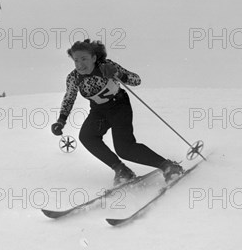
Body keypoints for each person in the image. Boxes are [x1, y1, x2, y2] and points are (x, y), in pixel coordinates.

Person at [51, 39, 184, 185]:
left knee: (124, 149)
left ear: (94, 58)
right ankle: (122, 170)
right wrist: (61, 120)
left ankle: (168, 166)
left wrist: (119, 74)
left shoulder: (106, 66)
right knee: (87, 136)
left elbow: (136, 80)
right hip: (99, 111)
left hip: (119, 106)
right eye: (76, 60)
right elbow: (69, 98)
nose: (80, 64)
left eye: (84, 59)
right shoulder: (73, 77)